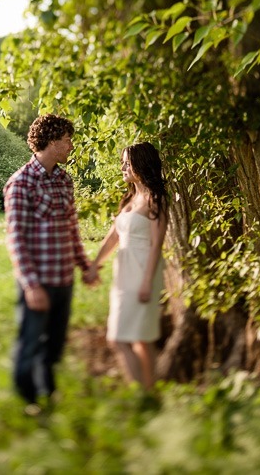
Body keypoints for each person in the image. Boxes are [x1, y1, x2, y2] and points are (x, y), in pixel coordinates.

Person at [3, 114, 94, 413]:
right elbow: (16, 239)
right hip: (38, 282)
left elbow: (71, 230)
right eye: (67, 140)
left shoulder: (64, 181)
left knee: (53, 346)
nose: (70, 146)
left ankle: (48, 394)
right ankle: (27, 400)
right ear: (52, 142)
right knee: (30, 343)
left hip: (63, 280)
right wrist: (31, 285)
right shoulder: (20, 183)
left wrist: (85, 266)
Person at [90, 142, 168, 390]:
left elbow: (157, 245)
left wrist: (147, 281)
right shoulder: (129, 199)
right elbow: (113, 237)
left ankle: (141, 394)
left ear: (142, 164)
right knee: (141, 340)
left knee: (120, 339)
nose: (123, 166)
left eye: (127, 162)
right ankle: (150, 392)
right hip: (124, 275)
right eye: (122, 161)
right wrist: (94, 265)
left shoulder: (155, 199)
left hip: (144, 272)